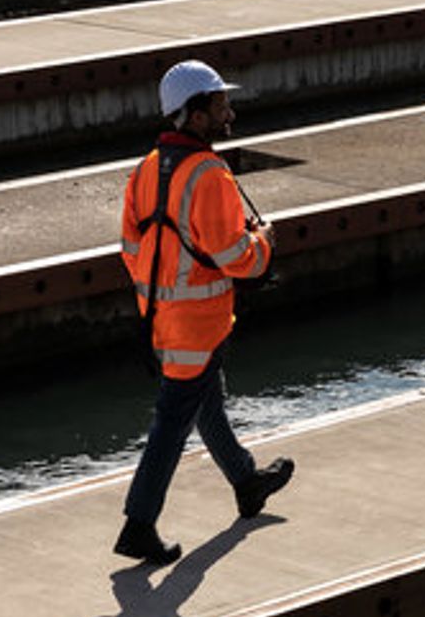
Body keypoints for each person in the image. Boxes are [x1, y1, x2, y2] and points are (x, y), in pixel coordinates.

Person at [115, 59, 293, 564]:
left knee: (205, 400)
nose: (228, 112)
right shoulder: (210, 174)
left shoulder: (146, 169)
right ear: (194, 116)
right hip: (198, 318)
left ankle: (246, 482)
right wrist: (264, 244)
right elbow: (235, 256)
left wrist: (162, 289)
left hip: (162, 317)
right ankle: (138, 523)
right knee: (173, 420)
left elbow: (131, 246)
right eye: (219, 106)